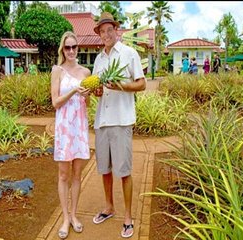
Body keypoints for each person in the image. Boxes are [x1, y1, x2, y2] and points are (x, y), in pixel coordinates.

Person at [91, 12, 146, 238]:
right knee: (104, 170)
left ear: (116, 30)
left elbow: (141, 84)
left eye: (109, 30)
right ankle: (109, 207)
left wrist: (121, 86)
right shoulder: (98, 59)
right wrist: (96, 91)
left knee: (123, 171)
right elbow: (98, 90)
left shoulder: (129, 53)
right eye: (102, 31)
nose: (106, 34)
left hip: (121, 121)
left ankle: (128, 217)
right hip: (102, 121)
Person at [51, 31, 91, 239]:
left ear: (78, 48)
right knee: (63, 175)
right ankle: (65, 218)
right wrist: (75, 91)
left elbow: (88, 103)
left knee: (77, 175)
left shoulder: (86, 72)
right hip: (65, 128)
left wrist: (87, 95)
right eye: (67, 47)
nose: (71, 50)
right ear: (62, 49)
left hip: (80, 128)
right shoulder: (57, 70)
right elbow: (55, 102)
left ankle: (74, 215)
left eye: (74, 47)